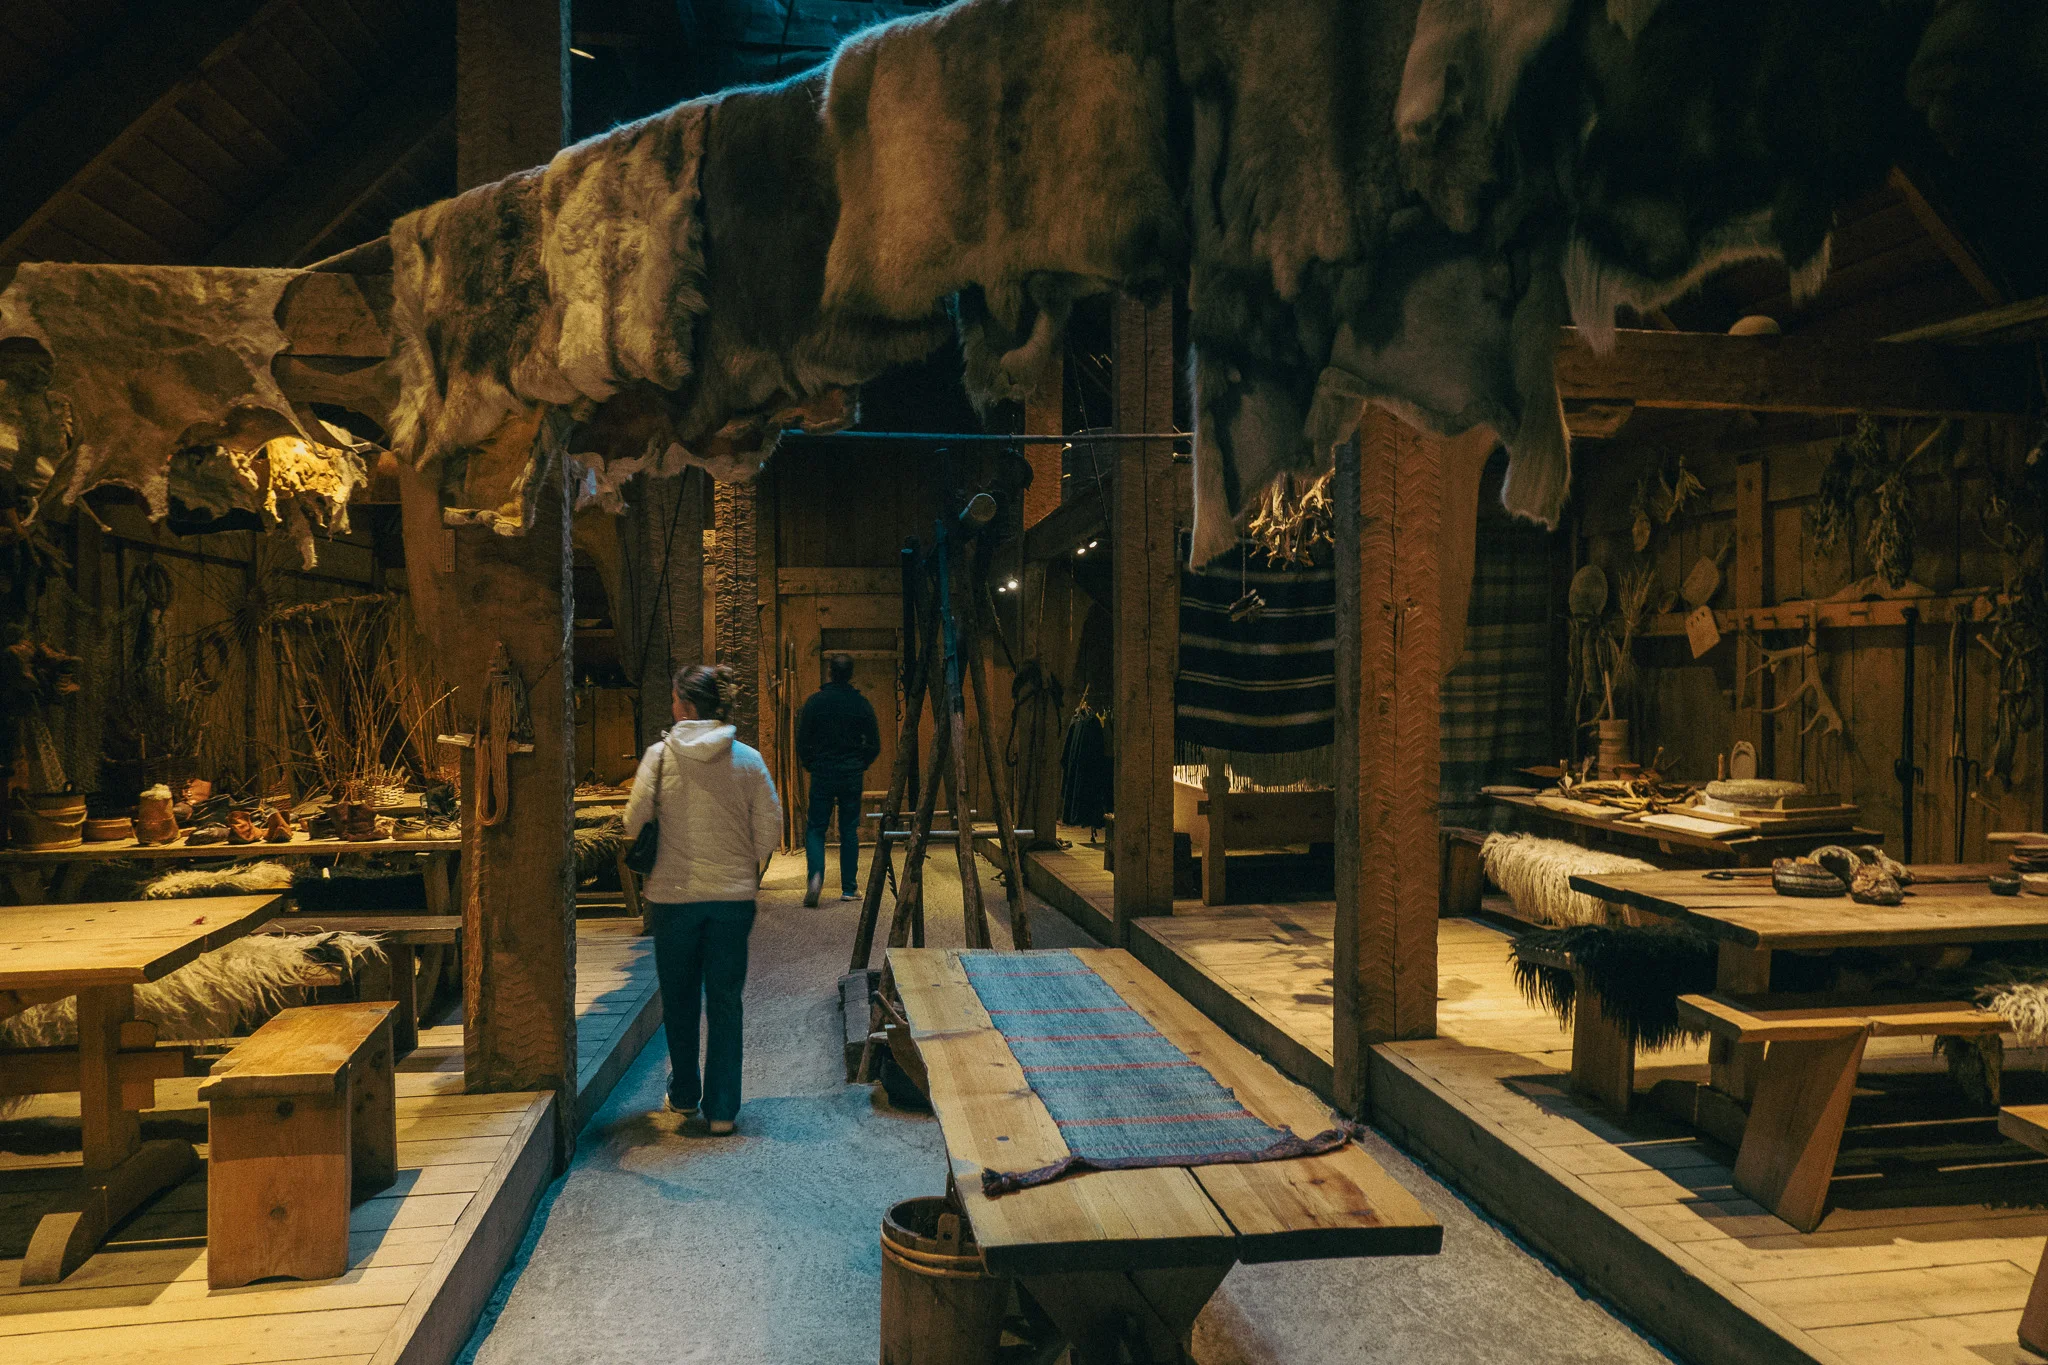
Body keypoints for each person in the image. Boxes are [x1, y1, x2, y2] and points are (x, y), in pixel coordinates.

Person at [623, 663, 781, 1137]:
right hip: (732, 901)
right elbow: (769, 831)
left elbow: (633, 821)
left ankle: (686, 1094)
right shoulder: (748, 760)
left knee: (680, 998)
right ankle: (723, 1110)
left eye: (675, 699)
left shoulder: (659, 757)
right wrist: (740, 862)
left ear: (686, 707)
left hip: (672, 900)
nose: (673, 706)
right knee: (726, 1000)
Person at [796, 652, 880, 906]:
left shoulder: (815, 702)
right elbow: (874, 743)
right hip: (851, 773)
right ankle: (849, 888)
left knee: (816, 828)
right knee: (849, 829)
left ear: (830, 672)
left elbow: (802, 740)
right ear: (851, 674)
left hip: (822, 771)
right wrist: (860, 763)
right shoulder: (861, 704)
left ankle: (815, 876)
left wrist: (811, 764)